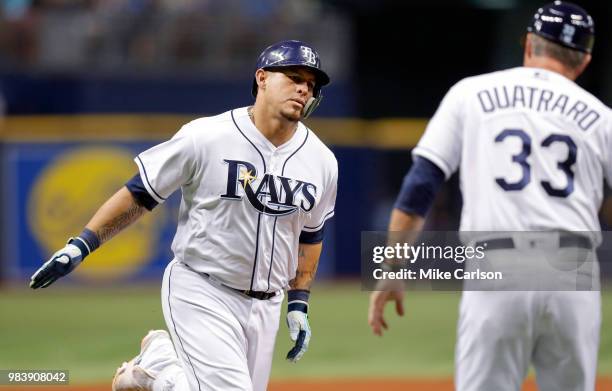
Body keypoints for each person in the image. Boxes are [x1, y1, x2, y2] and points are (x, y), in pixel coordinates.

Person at [30, 39, 338, 391]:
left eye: (311, 84)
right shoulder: (207, 136)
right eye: (294, 76)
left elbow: (310, 236)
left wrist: (299, 303)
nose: (303, 88)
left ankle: (158, 367)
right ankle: (162, 371)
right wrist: (82, 244)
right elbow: (140, 193)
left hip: (266, 305)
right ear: (262, 78)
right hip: (203, 289)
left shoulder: (321, 161)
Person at [368, 2, 607, 390]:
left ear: (529, 43)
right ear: (584, 61)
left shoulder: (471, 93)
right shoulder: (601, 117)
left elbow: (421, 184)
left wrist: (393, 269)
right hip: (574, 268)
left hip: (497, 263)